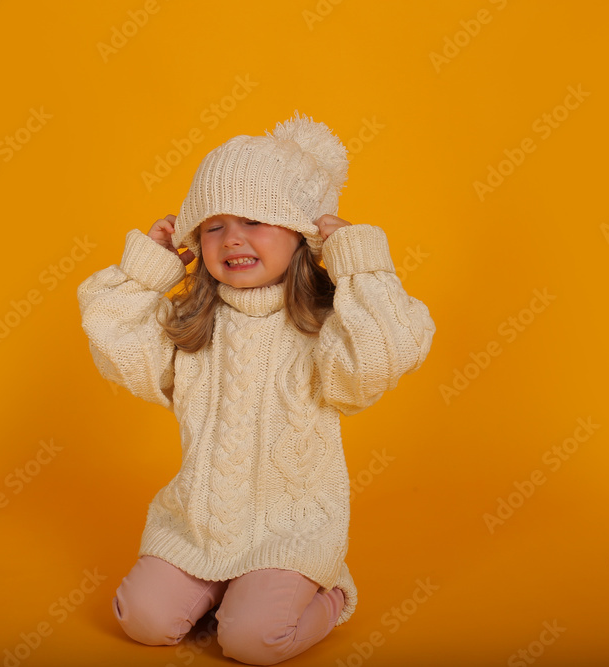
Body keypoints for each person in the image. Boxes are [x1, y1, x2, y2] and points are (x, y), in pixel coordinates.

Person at [76, 110, 436, 665]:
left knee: (251, 642)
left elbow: (386, 352)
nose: (232, 239)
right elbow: (119, 349)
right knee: (141, 620)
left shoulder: (323, 328)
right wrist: (147, 268)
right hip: (197, 522)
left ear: (300, 235)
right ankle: (222, 589)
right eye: (214, 225)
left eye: (256, 220)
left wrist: (361, 267)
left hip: (289, 530)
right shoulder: (195, 327)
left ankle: (329, 591)